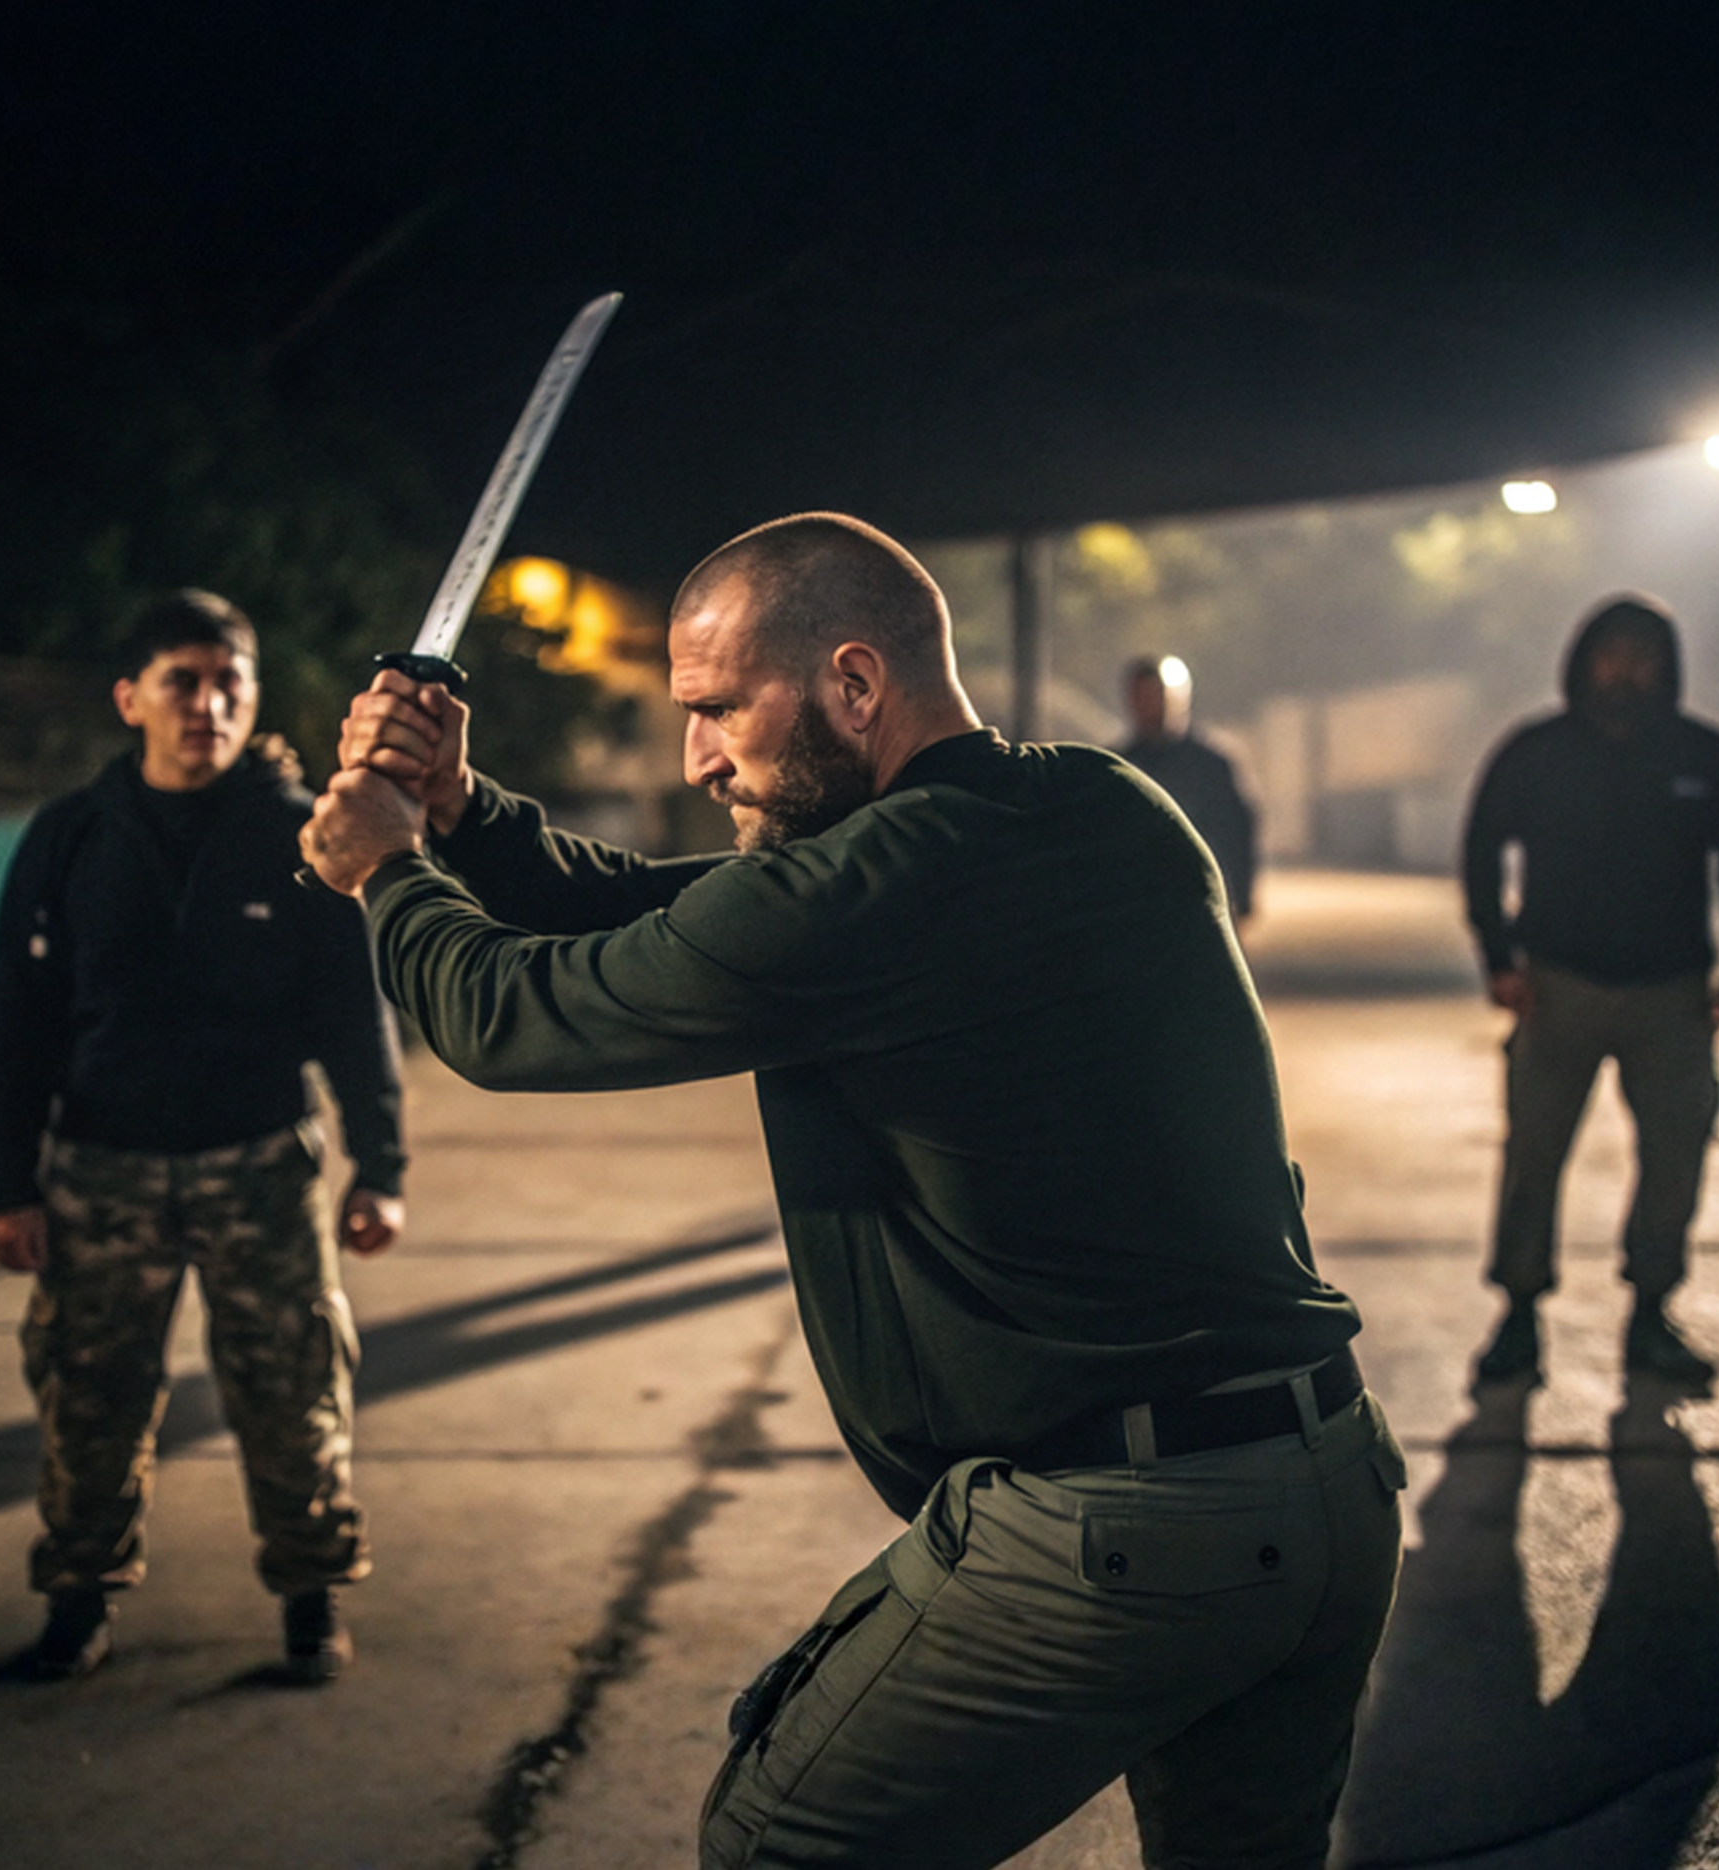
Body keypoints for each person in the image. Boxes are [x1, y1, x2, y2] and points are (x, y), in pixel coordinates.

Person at [302, 514, 1404, 1870]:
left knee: (780, 1838)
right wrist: (467, 818)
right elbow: (660, 914)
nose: (696, 756)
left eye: (715, 710)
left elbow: (513, 1012)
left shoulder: (865, 893)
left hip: (1123, 1532)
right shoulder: (1097, 806)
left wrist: (385, 868)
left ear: (852, 683)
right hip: (1325, 1493)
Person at [0, 588, 407, 1684]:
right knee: (88, 1392)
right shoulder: (70, 839)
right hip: (98, 1169)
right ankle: (80, 1596)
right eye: (182, 681)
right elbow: (20, 1023)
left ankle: (310, 1599)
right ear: (132, 698)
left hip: (259, 1161)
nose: (208, 704)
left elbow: (353, 1014)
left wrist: (380, 1165)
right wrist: (5, 1181)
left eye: (229, 683)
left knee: (292, 1387)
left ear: (251, 696)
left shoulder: (301, 832)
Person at [1461, 593, 1719, 1387]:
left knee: (1675, 1157)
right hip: (1556, 989)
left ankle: (1651, 1313)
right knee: (1534, 1155)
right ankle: (1519, 1317)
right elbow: (1481, 847)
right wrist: (1498, 957)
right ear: (1583, 660)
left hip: (1673, 996)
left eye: (1643, 656)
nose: (1627, 670)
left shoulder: (1702, 754)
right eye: (1613, 653)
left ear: (1666, 666)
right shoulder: (1538, 751)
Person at [1119, 654, 1259, 919]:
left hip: (1201, 900)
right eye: (1141, 695)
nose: (1149, 704)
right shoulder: (1118, 766)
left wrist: (1242, 894)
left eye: (1157, 694)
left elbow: (1238, 830)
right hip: (1137, 905)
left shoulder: (1213, 766)